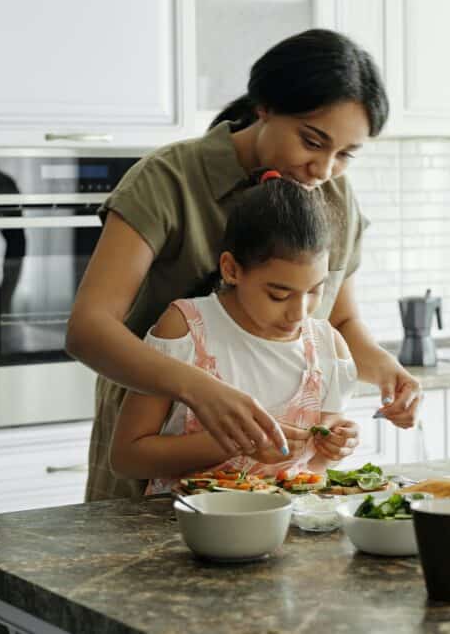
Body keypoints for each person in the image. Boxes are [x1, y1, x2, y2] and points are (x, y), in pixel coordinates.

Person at [66, 28, 423, 501]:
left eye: (345, 155)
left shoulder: (333, 194)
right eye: (312, 141)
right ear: (265, 107)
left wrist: (386, 371)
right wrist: (199, 390)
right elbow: (88, 328)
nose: (324, 169)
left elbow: (339, 320)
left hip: (275, 486)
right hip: (155, 461)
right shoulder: (168, 180)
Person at [111, 174, 358, 492]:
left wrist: (336, 445)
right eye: (279, 294)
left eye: (315, 291)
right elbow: (127, 458)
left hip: (287, 531)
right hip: (183, 529)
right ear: (231, 269)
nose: (299, 313)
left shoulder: (328, 347)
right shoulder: (186, 328)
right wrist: (235, 442)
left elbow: (316, 467)